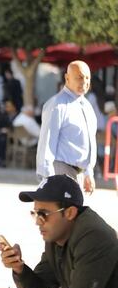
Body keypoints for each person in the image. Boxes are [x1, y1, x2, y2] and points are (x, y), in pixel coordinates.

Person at [36, 61, 97, 194]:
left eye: (87, 78)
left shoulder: (87, 106)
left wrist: (88, 172)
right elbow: (47, 144)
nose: (84, 82)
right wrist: (48, 179)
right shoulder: (57, 105)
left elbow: (90, 141)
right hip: (61, 171)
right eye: (79, 77)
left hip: (79, 174)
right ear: (67, 78)